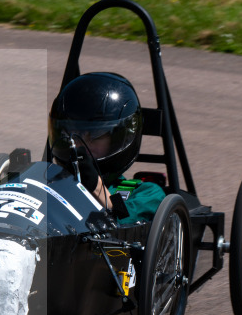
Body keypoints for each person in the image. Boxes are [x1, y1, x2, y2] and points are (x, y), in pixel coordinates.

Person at [48, 71, 165, 223]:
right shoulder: (48, 184)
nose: (81, 144)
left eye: (95, 136)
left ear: (118, 139)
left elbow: (125, 217)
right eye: (72, 134)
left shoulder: (145, 192)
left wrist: (95, 186)